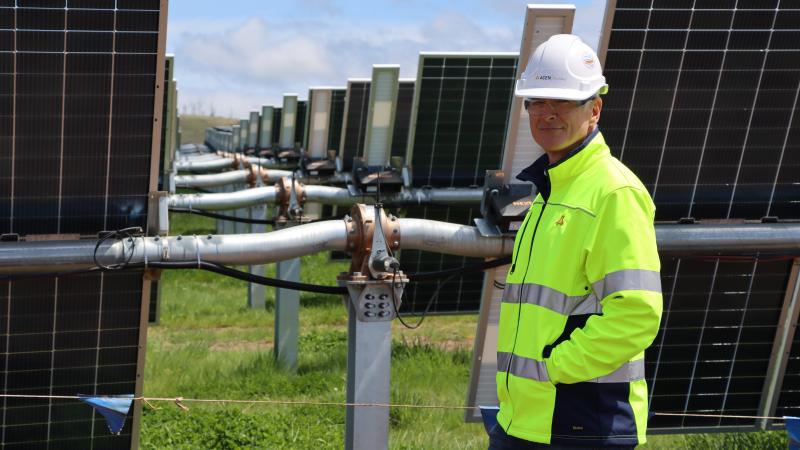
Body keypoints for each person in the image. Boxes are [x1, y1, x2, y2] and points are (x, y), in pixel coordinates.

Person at [489, 34, 663, 449]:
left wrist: (556, 368)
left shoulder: (613, 193)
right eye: (537, 101)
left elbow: (636, 314)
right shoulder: (550, 193)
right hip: (524, 421)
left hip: (582, 421)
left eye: (563, 101)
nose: (547, 113)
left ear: (595, 109)